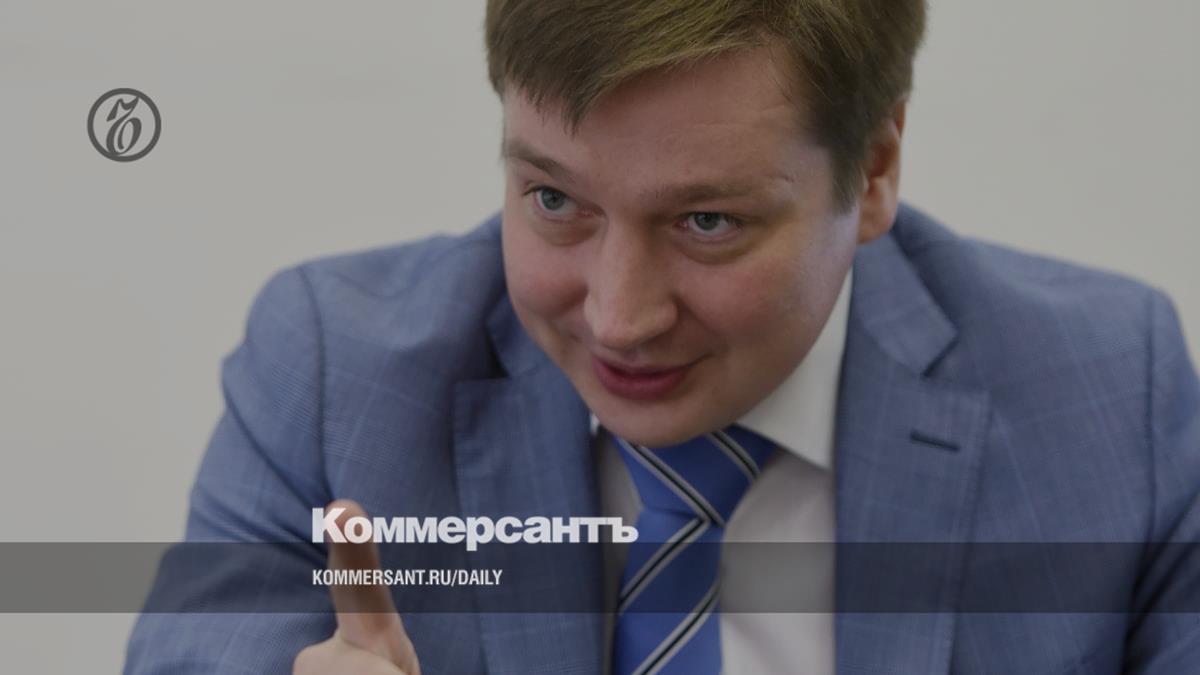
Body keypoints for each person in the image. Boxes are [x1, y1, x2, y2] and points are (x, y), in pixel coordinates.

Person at [124, 1, 1200, 673]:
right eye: (556, 202)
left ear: (873, 172)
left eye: (708, 222)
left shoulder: (1112, 391)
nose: (618, 316)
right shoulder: (334, 373)